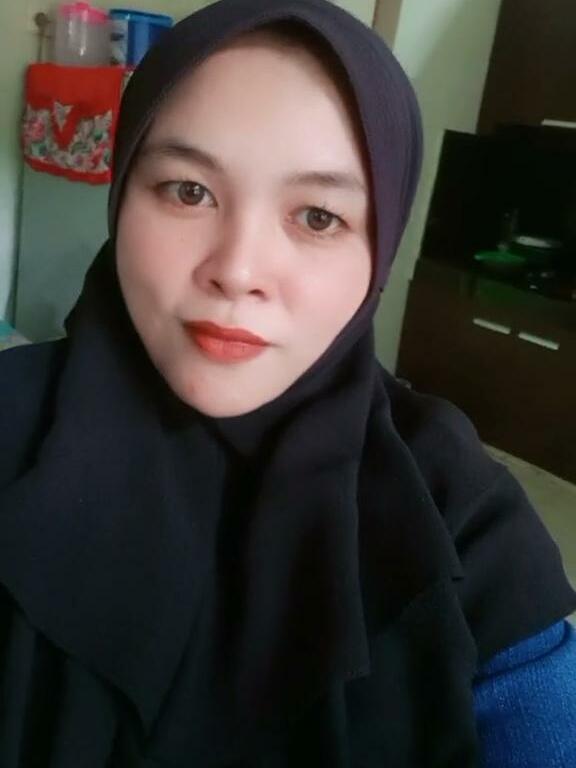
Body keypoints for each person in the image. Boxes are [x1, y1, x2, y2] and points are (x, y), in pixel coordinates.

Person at [0, 0, 575, 765]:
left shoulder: (457, 509)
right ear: (123, 192)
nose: (238, 271)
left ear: (382, 247)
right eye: (188, 191)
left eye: (318, 217)